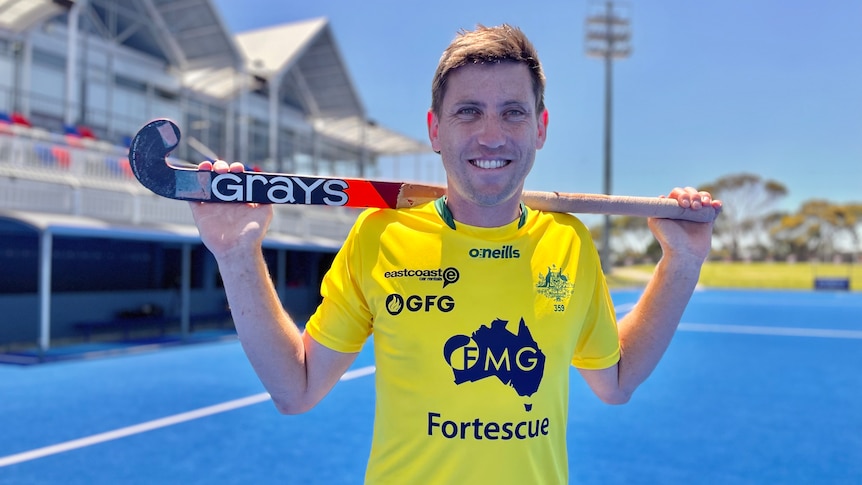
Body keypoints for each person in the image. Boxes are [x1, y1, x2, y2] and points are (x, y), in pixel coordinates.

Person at [189, 24, 721, 484]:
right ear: (435, 130)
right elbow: (296, 388)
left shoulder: (569, 241)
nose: (491, 135)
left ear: (540, 128)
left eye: (513, 112)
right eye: (469, 112)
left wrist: (683, 261)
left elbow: (617, 381)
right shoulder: (381, 236)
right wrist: (237, 253)